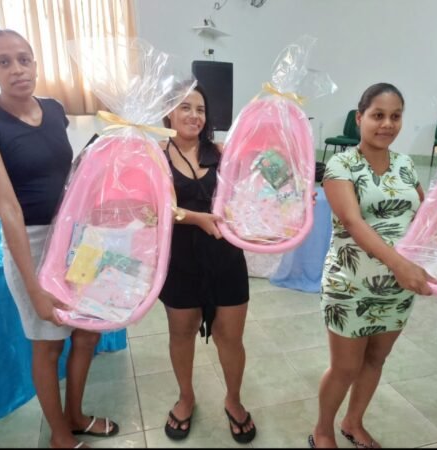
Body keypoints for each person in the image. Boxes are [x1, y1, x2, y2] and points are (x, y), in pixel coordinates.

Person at [0, 29, 119, 449]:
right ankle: (59, 435)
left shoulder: (53, 109)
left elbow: (68, 176)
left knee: (87, 333)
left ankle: (76, 415)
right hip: (31, 243)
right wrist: (34, 288)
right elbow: (9, 210)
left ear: (35, 62)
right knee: (49, 345)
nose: (17, 69)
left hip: (75, 238)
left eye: (24, 59)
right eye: (4, 62)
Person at [309, 83, 435, 448]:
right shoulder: (341, 165)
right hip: (351, 284)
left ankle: (353, 422)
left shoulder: (406, 165)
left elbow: (425, 214)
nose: (387, 124)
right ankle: (322, 430)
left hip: (398, 287)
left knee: (376, 359)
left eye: (396, 116)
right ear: (359, 117)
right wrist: (401, 265)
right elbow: (353, 222)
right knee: (345, 367)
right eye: (378, 115)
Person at [158, 84, 256, 444]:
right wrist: (197, 218)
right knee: (181, 333)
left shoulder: (222, 152)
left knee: (230, 337)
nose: (194, 115)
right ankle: (186, 397)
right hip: (179, 262)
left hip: (226, 259)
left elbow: (256, 191)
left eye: (200, 109)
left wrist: (290, 199)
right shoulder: (156, 156)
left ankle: (233, 399)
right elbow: (158, 208)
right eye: (185, 107)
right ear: (169, 113)